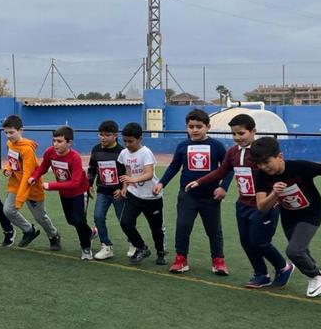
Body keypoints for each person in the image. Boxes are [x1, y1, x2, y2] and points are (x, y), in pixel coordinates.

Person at [187, 114, 292, 289]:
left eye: (241, 133)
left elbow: (277, 171)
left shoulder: (262, 153)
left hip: (264, 204)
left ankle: (284, 267)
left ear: (253, 131)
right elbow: (222, 171)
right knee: (246, 241)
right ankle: (261, 274)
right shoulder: (233, 152)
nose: (237, 138)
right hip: (243, 204)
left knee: (259, 241)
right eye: (234, 134)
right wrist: (200, 181)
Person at [155, 109, 232, 275]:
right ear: (186, 127)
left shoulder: (216, 146)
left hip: (210, 197)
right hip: (187, 196)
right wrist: (161, 183)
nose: (195, 130)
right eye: (191, 126)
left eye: (199, 126)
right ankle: (181, 259)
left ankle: (218, 260)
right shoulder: (183, 146)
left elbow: (228, 168)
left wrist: (223, 187)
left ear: (208, 127)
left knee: (214, 230)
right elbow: (174, 166)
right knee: (183, 227)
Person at [252, 137, 321, 298]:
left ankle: (315, 275)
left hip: (311, 213)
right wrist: (274, 194)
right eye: (259, 164)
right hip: (288, 216)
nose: (263, 167)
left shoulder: (299, 167)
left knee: (294, 251)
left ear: (280, 156)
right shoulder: (261, 176)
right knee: (302, 251)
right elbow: (261, 206)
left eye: (266, 162)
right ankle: (314, 272)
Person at [29, 126, 96, 260]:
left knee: (79, 220)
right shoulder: (50, 152)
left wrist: (51, 185)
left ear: (69, 143)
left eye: (59, 141)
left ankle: (86, 249)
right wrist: (34, 177)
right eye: (54, 141)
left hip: (79, 192)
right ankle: (91, 232)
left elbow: (75, 183)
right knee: (71, 220)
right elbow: (42, 167)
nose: (55, 144)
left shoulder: (75, 158)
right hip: (64, 193)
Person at [0, 115, 61, 250]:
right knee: (8, 210)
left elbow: (28, 174)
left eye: (11, 132)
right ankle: (29, 230)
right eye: (6, 133)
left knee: (40, 217)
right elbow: (11, 162)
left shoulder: (27, 150)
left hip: (31, 186)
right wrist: (7, 169)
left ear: (20, 130)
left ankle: (54, 235)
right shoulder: (9, 144)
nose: (8, 136)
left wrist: (20, 199)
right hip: (16, 184)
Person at [117, 123, 167, 265]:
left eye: (130, 141)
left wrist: (133, 179)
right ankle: (141, 247)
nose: (127, 144)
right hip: (134, 195)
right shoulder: (124, 153)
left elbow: (149, 174)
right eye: (124, 141)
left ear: (140, 139)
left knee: (155, 227)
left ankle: (161, 252)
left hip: (152, 197)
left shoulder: (146, 152)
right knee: (125, 223)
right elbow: (128, 170)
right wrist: (126, 186)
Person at [87, 120, 129, 260]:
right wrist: (89, 183)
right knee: (98, 217)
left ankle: (133, 243)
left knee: (123, 220)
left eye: (107, 135)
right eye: (101, 135)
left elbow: (127, 173)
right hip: (102, 191)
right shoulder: (96, 149)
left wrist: (123, 188)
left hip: (118, 193)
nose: (103, 138)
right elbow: (92, 168)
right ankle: (106, 246)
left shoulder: (122, 152)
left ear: (115, 135)